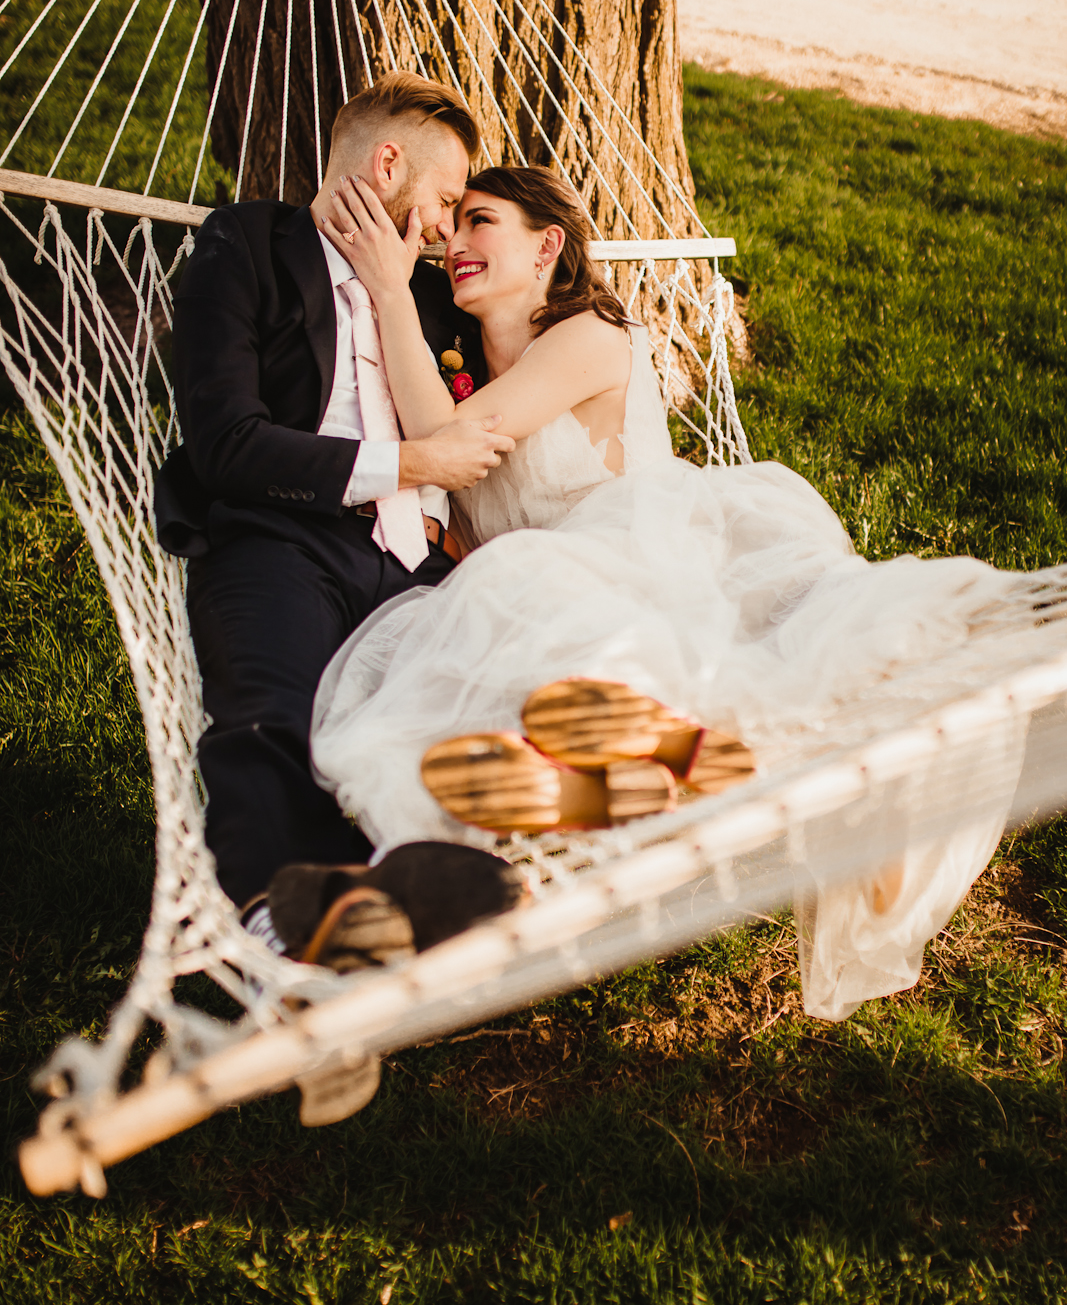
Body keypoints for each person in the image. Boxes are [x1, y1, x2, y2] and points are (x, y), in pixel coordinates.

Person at [310, 163, 1035, 1023]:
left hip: (655, 559)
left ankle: (736, 774)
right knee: (481, 681)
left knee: (689, 655)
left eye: (480, 221)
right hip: (556, 589)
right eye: (453, 226)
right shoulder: (457, 362)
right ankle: (673, 783)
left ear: (546, 245)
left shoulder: (586, 336)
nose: (455, 244)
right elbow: (449, 472)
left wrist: (390, 290)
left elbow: (441, 438)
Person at [155, 73, 528, 989]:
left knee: (472, 709)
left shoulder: (433, 299)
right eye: (444, 201)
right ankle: (277, 926)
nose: (447, 228)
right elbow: (227, 445)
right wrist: (408, 469)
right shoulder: (249, 245)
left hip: (419, 561)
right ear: (386, 162)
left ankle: (389, 898)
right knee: (270, 715)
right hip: (280, 535)